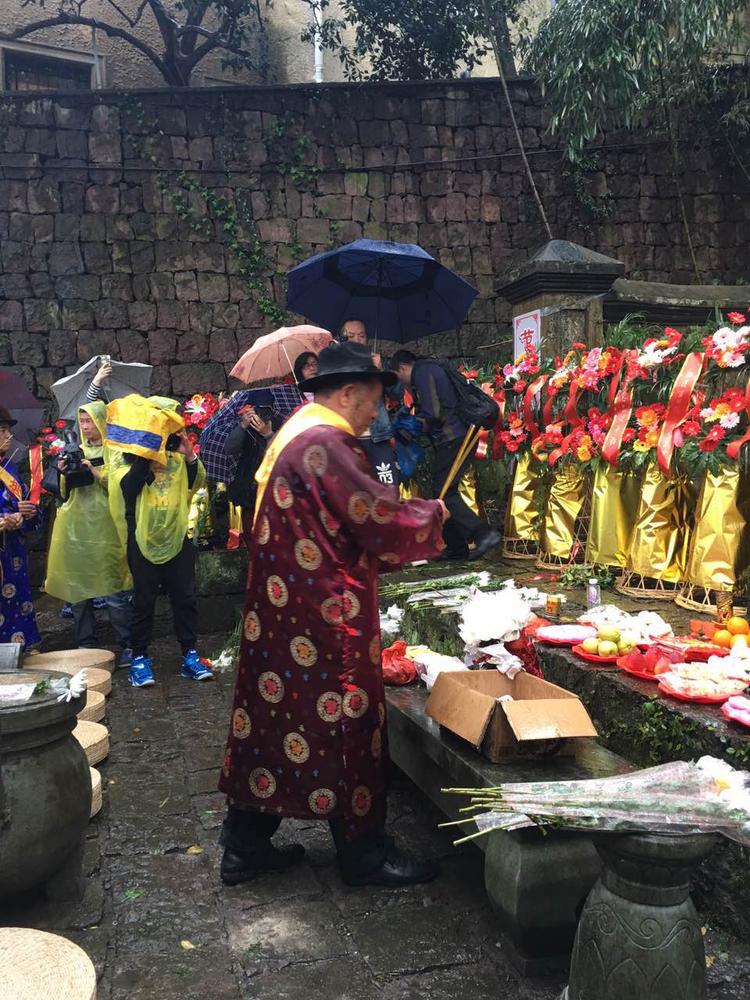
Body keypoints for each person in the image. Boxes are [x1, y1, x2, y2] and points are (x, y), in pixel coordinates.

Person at [218, 341, 448, 888]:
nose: (374, 416)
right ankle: (364, 854)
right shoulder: (326, 443)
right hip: (325, 619)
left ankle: (245, 846)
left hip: (282, 614)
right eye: (371, 403)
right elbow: (374, 516)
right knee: (349, 723)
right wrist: (434, 514)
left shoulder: (294, 433)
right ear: (347, 393)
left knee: (274, 721)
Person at [109, 411, 212, 688]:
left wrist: (188, 453)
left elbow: (197, 483)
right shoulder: (127, 462)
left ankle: (190, 655)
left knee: (185, 599)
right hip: (142, 542)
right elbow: (128, 489)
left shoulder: (177, 461)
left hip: (177, 537)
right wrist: (145, 456)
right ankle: (140, 658)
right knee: (143, 602)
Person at [44, 402, 133, 667]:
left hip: (105, 523)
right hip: (74, 526)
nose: (84, 427)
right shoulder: (73, 450)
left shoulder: (113, 450)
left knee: (113, 586)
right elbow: (60, 492)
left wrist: (96, 471)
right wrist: (61, 470)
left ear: (101, 421)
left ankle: (127, 643)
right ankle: (86, 645)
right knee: (78, 588)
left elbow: (121, 483)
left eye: (89, 421)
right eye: (81, 422)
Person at [391, 350, 501, 562]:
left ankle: (483, 533)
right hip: (456, 436)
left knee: (444, 492)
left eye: (399, 377)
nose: (402, 383)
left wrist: (414, 424)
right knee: (440, 492)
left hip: (454, 437)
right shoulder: (430, 368)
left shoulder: (423, 372)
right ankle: (455, 546)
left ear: (403, 368)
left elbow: (434, 412)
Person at [0, 405, 41, 649]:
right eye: (3, 430)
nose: (8, 436)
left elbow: (31, 512)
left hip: (14, 556)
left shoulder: (9, 469)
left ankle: (19, 655)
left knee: (18, 607)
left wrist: (28, 513)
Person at [339, 320, 398, 488]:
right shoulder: (335, 367)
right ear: (343, 340)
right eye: (351, 336)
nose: (357, 340)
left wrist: (379, 371)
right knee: (356, 492)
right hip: (350, 439)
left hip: (378, 436)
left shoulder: (377, 362)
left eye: (362, 335)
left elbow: (397, 392)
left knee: (388, 488)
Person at [225, 403, 280, 547]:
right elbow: (230, 448)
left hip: (273, 492)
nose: (261, 417)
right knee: (252, 538)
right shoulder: (246, 428)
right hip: (248, 492)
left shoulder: (281, 422)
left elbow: (282, 452)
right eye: (258, 412)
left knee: (275, 539)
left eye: (265, 413)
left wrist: (268, 434)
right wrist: (243, 425)